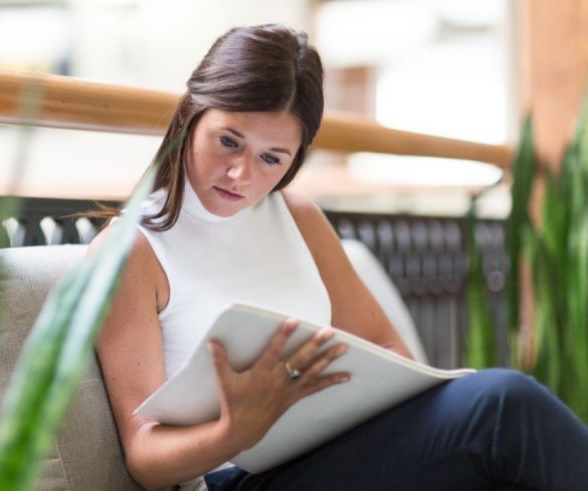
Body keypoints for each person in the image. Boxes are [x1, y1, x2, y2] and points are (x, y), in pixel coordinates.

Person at [89, 24, 588, 491]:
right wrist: (236, 427)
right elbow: (145, 454)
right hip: (240, 475)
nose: (241, 174)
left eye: (271, 158)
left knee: (496, 444)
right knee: (502, 406)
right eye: (228, 141)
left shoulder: (298, 217)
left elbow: (388, 347)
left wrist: (365, 393)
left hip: (336, 449)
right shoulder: (132, 248)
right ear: (190, 114)